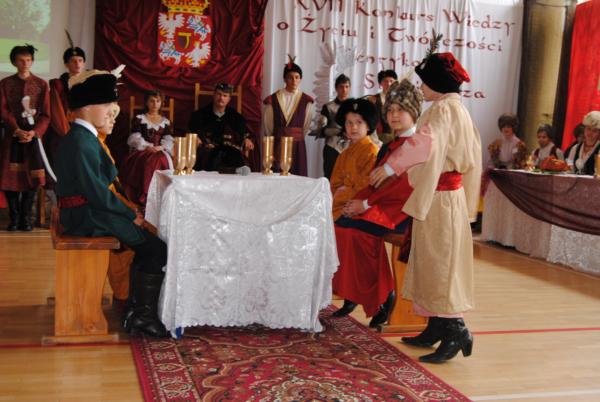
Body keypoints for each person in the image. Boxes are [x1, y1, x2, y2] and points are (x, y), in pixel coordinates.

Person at [371, 41, 482, 363]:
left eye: (424, 82)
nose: (420, 88)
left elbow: (423, 145)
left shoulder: (444, 110)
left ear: (437, 83)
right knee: (431, 262)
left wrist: (390, 167)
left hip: (441, 197)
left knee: (441, 265)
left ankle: (456, 330)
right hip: (441, 197)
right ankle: (436, 326)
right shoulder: (455, 108)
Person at [55, 68, 168, 337]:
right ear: (87, 106)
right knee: (155, 249)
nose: (111, 112)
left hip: (87, 211)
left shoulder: (83, 137)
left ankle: (134, 310)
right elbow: (96, 192)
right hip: (87, 216)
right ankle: (142, 316)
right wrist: (130, 215)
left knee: (149, 246)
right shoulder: (81, 141)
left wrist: (129, 211)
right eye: (106, 105)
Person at [332, 79, 430, 328]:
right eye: (391, 110)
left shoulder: (417, 144)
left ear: (414, 112)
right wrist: (358, 201)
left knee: (357, 232)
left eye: (401, 110)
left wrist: (365, 204)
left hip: (403, 209)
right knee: (342, 227)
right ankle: (360, 293)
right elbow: (374, 182)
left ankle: (384, 296)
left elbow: (402, 187)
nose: (394, 115)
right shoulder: (390, 145)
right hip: (382, 204)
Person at [0, 44, 50, 231]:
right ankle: (14, 219)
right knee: (10, 178)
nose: (25, 63)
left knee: (33, 177)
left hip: (33, 138)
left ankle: (26, 218)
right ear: (14, 62)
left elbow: (46, 114)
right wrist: (16, 129)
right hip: (12, 137)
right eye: (21, 60)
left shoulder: (41, 84)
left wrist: (34, 132)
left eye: (28, 60)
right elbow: (3, 110)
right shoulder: (5, 84)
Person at [45, 32, 86, 186]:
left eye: (80, 60)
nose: (77, 64)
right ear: (66, 64)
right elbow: (56, 111)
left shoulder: (90, 84)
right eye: (73, 61)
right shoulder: (58, 85)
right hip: (63, 133)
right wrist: (68, 134)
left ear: (84, 63)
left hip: (85, 133)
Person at [120, 90, 174, 205]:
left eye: (158, 101)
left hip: (160, 150)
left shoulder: (165, 121)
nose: (155, 104)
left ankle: (161, 196)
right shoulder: (140, 118)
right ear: (146, 103)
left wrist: (162, 147)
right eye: (151, 101)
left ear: (161, 103)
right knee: (150, 161)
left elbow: (168, 138)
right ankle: (146, 195)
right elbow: (135, 137)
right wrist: (146, 146)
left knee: (160, 159)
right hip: (143, 150)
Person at [263, 56, 314, 176]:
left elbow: (306, 125)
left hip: (298, 147)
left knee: (298, 178)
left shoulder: (306, 100)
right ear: (285, 79)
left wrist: (295, 136)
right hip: (278, 145)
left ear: (300, 79)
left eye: (297, 77)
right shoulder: (273, 99)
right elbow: (268, 126)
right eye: (290, 77)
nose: (294, 81)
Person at [330, 98, 379, 221]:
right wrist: (339, 195)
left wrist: (342, 194)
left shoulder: (372, 152)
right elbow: (334, 185)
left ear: (368, 125)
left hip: (360, 209)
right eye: (349, 123)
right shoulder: (343, 155)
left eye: (359, 122)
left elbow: (366, 187)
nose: (354, 127)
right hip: (338, 207)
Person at [188, 83, 253, 172]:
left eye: (225, 96)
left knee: (237, 160)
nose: (221, 98)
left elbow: (244, 134)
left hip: (231, 153)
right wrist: (195, 138)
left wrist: (246, 139)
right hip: (208, 154)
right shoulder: (199, 115)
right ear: (214, 95)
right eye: (219, 94)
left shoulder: (236, 117)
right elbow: (191, 132)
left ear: (229, 99)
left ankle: (236, 171)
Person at [314, 74, 350, 179]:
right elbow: (321, 131)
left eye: (347, 86)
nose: (344, 90)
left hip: (351, 148)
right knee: (330, 178)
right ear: (336, 88)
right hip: (332, 148)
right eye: (341, 87)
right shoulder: (328, 107)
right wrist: (339, 132)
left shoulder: (355, 106)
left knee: (350, 178)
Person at [367, 69, 397, 145]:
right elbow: (369, 121)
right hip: (378, 138)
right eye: (385, 81)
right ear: (380, 83)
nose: (388, 84)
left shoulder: (400, 100)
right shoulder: (373, 99)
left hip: (397, 136)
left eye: (391, 81)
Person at [569, 111, 600, 175]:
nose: (590, 133)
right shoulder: (575, 148)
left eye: (594, 131)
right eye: (588, 129)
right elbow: (569, 168)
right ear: (584, 129)